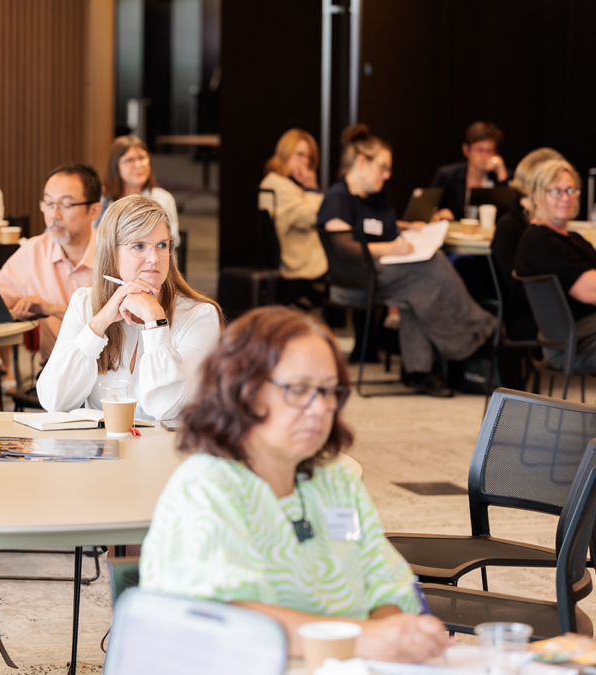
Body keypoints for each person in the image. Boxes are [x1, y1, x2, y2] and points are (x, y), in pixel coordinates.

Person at [139, 306, 448, 662]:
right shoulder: (206, 488)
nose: (320, 409)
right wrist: (364, 639)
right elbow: (226, 622)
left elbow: (385, 587)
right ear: (245, 390)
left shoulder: (335, 481)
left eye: (330, 391)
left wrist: (400, 637)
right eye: (299, 390)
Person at [317, 124, 496, 396]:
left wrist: (409, 225)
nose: (387, 175)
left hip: (387, 274)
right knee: (432, 267)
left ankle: (420, 371)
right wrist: (390, 248)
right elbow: (345, 248)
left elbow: (376, 227)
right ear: (362, 162)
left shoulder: (372, 197)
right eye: (383, 167)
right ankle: (477, 333)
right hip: (358, 279)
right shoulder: (337, 198)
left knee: (419, 291)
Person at [37, 195, 223, 420]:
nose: (154, 258)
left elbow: (168, 409)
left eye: (162, 245)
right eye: (139, 246)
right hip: (99, 451)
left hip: (166, 452)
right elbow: (53, 401)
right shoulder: (85, 303)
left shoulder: (200, 315)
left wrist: (156, 321)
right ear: (111, 252)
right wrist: (98, 325)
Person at [0, 163, 103, 362]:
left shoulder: (115, 254)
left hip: (110, 373)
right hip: (55, 374)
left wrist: (51, 309)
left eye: (66, 205)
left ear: (94, 211)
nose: (54, 215)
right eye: (49, 204)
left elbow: (118, 322)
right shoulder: (34, 250)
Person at [514, 159, 596, 370]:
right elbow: (591, 291)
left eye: (570, 190)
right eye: (555, 191)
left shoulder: (574, 239)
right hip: (573, 344)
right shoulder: (539, 240)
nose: (565, 198)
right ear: (537, 197)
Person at [491, 148, 563, 343]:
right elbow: (522, 293)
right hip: (530, 317)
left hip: (555, 310)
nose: (563, 196)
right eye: (555, 188)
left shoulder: (545, 223)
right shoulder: (512, 227)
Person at [259, 128, 327, 282]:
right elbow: (310, 216)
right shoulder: (276, 183)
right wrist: (312, 188)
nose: (305, 162)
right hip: (298, 266)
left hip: (311, 261)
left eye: (309, 158)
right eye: (300, 155)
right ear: (285, 153)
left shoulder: (293, 185)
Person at [98, 135, 179, 243]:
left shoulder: (162, 198)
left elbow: (171, 242)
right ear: (115, 166)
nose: (138, 165)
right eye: (129, 160)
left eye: (142, 158)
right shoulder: (102, 197)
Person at [431, 121, 509, 222]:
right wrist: (440, 213)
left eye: (490, 151)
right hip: (454, 234)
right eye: (479, 150)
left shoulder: (500, 176)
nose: (485, 156)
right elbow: (429, 210)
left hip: (488, 236)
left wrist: (502, 175)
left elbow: (509, 214)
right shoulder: (447, 175)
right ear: (466, 150)